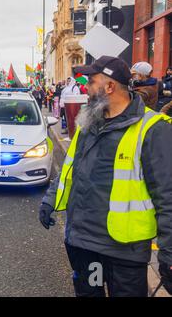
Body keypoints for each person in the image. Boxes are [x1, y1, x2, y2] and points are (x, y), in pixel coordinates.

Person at [39, 56, 172, 297]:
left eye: (91, 81)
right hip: (85, 245)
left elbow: (168, 196)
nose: (86, 88)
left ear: (110, 87)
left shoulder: (152, 128)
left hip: (124, 253)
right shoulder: (88, 122)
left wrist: (169, 253)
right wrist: (50, 199)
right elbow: (71, 168)